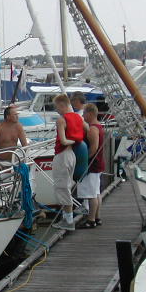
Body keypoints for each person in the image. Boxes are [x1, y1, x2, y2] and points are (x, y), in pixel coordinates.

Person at [52, 94, 85, 231]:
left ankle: (69, 220)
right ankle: (66, 218)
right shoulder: (78, 117)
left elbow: (64, 141)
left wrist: (72, 141)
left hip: (63, 154)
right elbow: (85, 130)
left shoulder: (61, 120)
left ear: (61, 105)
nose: (56, 110)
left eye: (56, 107)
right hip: (73, 155)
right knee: (66, 185)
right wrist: (77, 141)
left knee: (62, 187)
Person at [76, 103, 105, 228]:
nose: (83, 116)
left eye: (84, 113)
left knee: (91, 194)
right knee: (96, 192)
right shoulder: (98, 126)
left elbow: (93, 148)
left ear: (90, 113)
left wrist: (84, 161)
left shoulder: (93, 129)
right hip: (98, 163)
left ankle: (91, 220)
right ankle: (97, 217)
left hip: (93, 165)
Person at [0, 105, 29, 170]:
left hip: (13, 158)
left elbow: (25, 145)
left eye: (17, 114)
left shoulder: (18, 127)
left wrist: (26, 158)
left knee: (24, 169)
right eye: (15, 115)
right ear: (8, 117)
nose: (17, 117)